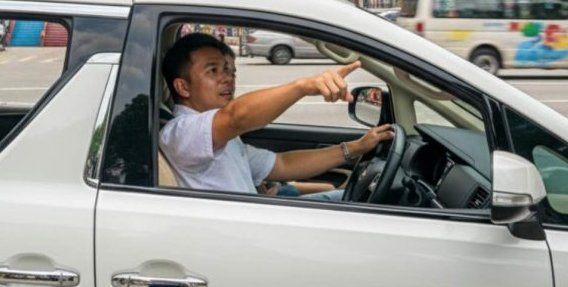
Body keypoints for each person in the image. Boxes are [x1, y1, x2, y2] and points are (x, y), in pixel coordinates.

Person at [159, 33, 393, 198]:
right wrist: (305, 86)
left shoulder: (220, 138)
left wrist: (356, 148)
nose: (227, 78)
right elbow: (236, 116)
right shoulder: (182, 134)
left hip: (255, 223)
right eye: (213, 70)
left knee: (343, 200)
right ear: (183, 87)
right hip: (238, 241)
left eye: (229, 70)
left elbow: (283, 164)